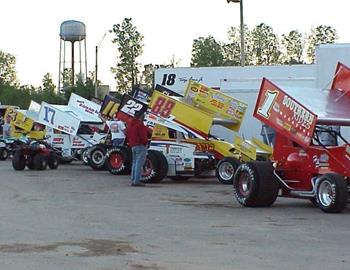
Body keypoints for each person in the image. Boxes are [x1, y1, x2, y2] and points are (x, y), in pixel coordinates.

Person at [125, 111, 149, 187]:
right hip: (140, 145)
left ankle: (133, 179)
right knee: (139, 163)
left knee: (135, 163)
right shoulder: (140, 124)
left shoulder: (130, 123)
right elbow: (143, 135)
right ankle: (136, 181)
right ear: (141, 116)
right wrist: (145, 141)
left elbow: (127, 133)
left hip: (133, 145)